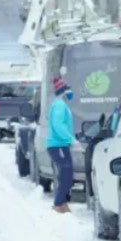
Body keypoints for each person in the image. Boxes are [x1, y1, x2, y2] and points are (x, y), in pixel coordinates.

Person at [46, 76, 76, 213]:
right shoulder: (59, 105)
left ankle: (61, 203)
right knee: (66, 173)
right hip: (57, 145)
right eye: (69, 89)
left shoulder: (60, 105)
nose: (70, 92)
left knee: (66, 174)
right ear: (64, 91)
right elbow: (58, 125)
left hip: (61, 145)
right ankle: (59, 204)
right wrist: (71, 140)